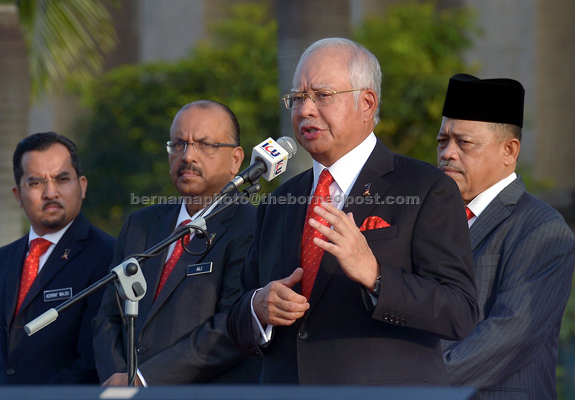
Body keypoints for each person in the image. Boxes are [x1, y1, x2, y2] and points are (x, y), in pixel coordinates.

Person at [227, 37, 479, 385]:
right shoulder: (279, 201)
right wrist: (258, 308)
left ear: (367, 102)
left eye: (322, 95)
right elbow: (236, 313)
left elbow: (459, 311)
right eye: (297, 98)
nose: (305, 110)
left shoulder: (426, 188)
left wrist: (376, 275)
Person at [93, 100, 259, 386]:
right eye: (178, 144)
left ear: (235, 159)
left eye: (204, 144)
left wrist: (145, 380)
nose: (188, 156)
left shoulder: (251, 226)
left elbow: (231, 325)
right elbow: (109, 315)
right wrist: (118, 378)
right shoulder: (141, 224)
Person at [437, 73, 575, 398]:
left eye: (464, 143)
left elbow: (508, 335)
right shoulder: (431, 219)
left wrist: (410, 384)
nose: (448, 153)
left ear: (509, 151)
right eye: (443, 141)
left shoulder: (541, 229)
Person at [0, 132, 115, 384]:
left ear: (82, 186)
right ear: (18, 195)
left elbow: (91, 364)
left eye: (62, 179)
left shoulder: (108, 256)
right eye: (36, 182)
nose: (51, 192)